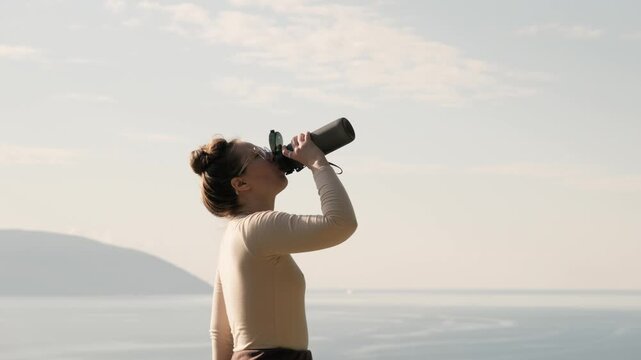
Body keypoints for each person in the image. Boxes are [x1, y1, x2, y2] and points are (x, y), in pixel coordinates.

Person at [189, 131, 358, 360]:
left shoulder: (233, 236)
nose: (271, 155)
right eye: (258, 155)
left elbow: (221, 333)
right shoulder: (257, 227)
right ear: (240, 183)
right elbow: (341, 224)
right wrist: (317, 162)